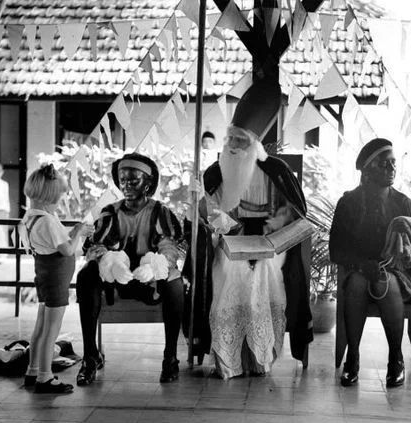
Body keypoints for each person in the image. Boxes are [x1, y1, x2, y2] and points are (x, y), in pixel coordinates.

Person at [185, 80, 313, 379]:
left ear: (254, 145)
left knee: (263, 274)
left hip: (269, 244)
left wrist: (279, 222)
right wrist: (198, 203)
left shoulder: (277, 172)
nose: (232, 146)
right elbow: (206, 217)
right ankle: (228, 360)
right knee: (230, 272)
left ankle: (260, 359)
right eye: (230, 139)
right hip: (229, 241)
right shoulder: (215, 173)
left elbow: (295, 213)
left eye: (240, 141)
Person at [75, 153, 184, 386]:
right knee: (85, 276)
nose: (126, 185)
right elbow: (96, 245)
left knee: (175, 281)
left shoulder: (160, 212)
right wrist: (110, 262)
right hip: (116, 277)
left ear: (148, 183)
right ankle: (90, 356)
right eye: (123, 180)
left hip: (149, 279)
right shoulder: (110, 212)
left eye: (133, 181)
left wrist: (157, 267)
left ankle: (171, 358)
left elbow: (169, 247)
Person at [329, 138, 411, 388]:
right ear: (368, 170)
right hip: (359, 269)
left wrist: (400, 257)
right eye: (385, 164)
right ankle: (353, 358)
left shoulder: (402, 203)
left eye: (394, 163)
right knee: (358, 283)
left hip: (396, 273)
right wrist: (361, 264)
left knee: (385, 282)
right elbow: (336, 249)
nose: (392, 168)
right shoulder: (348, 203)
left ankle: (396, 359)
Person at [20, 164, 94, 393]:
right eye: (58, 197)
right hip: (55, 279)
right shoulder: (48, 220)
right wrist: (80, 232)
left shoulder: (31, 217)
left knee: (41, 326)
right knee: (51, 330)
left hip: (43, 276)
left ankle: (32, 370)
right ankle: (45, 377)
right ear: (48, 197)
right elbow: (66, 250)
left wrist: (75, 232)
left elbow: (56, 242)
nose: (60, 201)